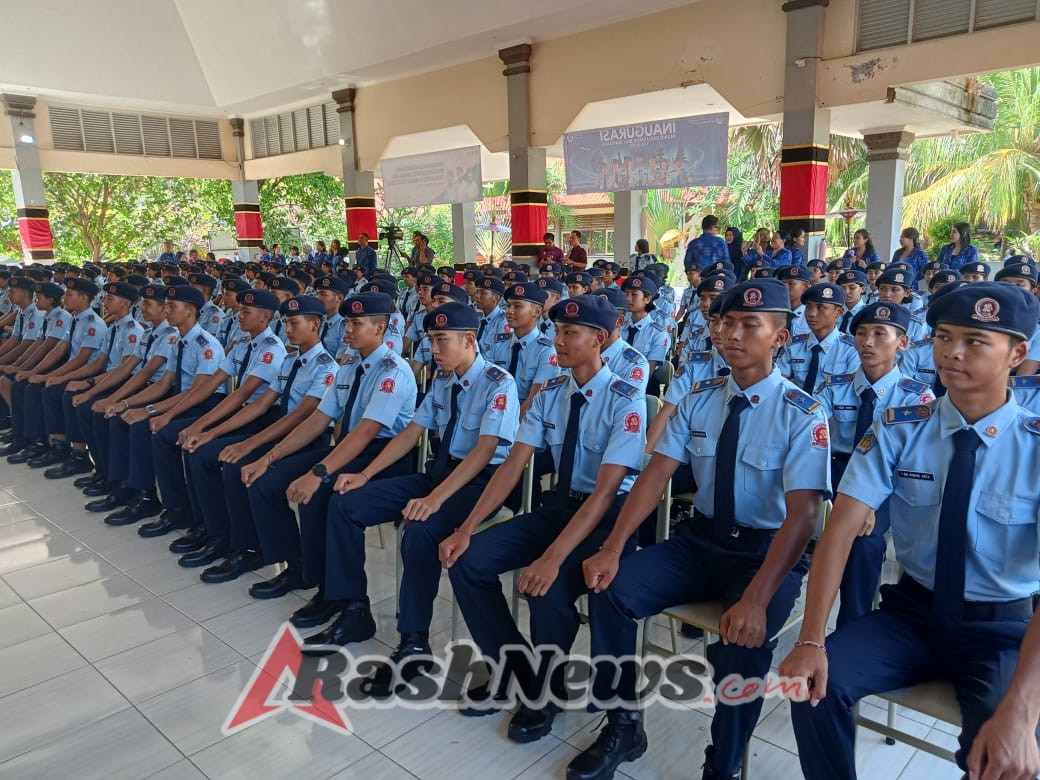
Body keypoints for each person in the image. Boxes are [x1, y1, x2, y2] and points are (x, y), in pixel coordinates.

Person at [781, 282, 1040, 780]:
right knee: (811, 685)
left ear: (1018, 353)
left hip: (1001, 631)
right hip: (912, 615)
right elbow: (841, 529)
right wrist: (811, 638)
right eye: (943, 337)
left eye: (975, 341)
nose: (952, 353)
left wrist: (1025, 709)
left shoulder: (1033, 449)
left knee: (1005, 752)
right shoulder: (902, 427)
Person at [578, 279, 829, 780]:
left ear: (779, 338)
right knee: (610, 588)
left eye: (748, 325)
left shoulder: (803, 413)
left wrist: (757, 598)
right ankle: (623, 723)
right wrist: (612, 547)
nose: (730, 334)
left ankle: (725, 760)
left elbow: (802, 517)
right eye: (724, 322)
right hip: (701, 541)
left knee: (743, 645)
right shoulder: (699, 397)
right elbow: (654, 478)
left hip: (766, 553)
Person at [441, 295, 645, 735]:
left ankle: (547, 691)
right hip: (557, 508)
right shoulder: (552, 393)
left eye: (570, 333)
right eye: (557, 332)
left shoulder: (626, 401)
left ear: (600, 339)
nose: (559, 340)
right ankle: (515, 669)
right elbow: (512, 465)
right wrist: (466, 527)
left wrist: (552, 558)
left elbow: (606, 493)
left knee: (546, 589)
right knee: (467, 561)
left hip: (606, 519)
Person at [302, 303, 519, 683]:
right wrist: (366, 475)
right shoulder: (442, 380)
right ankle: (354, 608)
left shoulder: (498, 383)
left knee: (421, 530)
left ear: (469, 340)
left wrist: (435, 499)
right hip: (437, 475)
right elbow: (411, 432)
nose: (433, 349)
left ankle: (414, 642)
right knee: (346, 503)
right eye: (431, 340)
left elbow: (485, 450)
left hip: (481, 484)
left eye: (441, 340)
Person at [239, 292, 417, 621]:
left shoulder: (393, 372)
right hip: (348, 451)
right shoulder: (349, 367)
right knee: (266, 480)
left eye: (356, 323)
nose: (347, 329)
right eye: (347, 322)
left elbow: (366, 432)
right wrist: (269, 456)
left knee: (320, 494)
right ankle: (299, 566)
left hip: (383, 459)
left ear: (380, 328)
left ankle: (335, 594)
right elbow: (318, 420)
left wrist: (318, 474)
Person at [174, 294, 339, 582]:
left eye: (294, 323)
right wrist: (212, 432)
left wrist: (250, 445)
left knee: (244, 470)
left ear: (315, 325)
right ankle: (221, 534)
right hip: (279, 429)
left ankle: (266, 552)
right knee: (204, 453)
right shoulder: (289, 362)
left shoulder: (327, 368)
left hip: (308, 439)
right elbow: (262, 405)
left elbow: (301, 417)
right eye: (285, 322)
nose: (287, 329)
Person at [816, 302, 934, 628]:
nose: (867, 342)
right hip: (834, 471)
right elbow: (812, 440)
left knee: (864, 542)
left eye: (880, 334)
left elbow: (911, 464)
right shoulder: (834, 386)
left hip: (887, 483)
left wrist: (867, 500)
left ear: (903, 342)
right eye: (862, 333)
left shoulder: (916, 398)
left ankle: (852, 627)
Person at [101, 285, 224, 528]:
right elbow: (165, 383)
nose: (166, 311)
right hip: (183, 400)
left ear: (190, 312)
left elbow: (197, 392)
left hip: (204, 406)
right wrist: (126, 404)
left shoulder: (206, 345)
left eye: (172, 307)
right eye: (166, 305)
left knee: (157, 432)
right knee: (127, 420)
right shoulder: (180, 341)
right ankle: (137, 490)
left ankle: (176, 506)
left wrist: (156, 412)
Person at [487, 282, 557, 418]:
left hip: (523, 421)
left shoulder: (546, 351)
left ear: (536, 312)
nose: (509, 311)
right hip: (493, 413)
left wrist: (509, 424)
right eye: (508, 305)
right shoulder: (499, 342)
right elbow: (486, 383)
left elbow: (534, 398)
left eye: (517, 306)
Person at [777, 283, 859, 394]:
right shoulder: (793, 345)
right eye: (808, 306)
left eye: (820, 307)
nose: (811, 313)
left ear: (838, 312)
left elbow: (849, 393)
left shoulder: (851, 349)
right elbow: (781, 382)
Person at [621, 276, 669, 396]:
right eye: (626, 294)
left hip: (643, 386)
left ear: (647, 299)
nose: (628, 299)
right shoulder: (619, 327)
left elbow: (649, 370)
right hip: (616, 380)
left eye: (634, 295)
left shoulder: (658, 333)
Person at [473, 276, 510, 356]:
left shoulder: (503, 322)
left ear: (495, 298)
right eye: (477, 292)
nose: (477, 296)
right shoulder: (477, 319)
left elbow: (501, 360)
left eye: (482, 293)